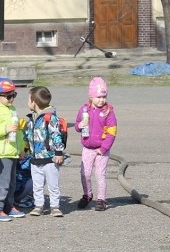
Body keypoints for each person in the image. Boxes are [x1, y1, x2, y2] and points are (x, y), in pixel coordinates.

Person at [0, 77, 26, 222]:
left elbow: (18, 132)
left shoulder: (11, 109)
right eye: (8, 96)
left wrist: (21, 148)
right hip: (2, 151)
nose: (11, 99)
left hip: (12, 150)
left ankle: (8, 206)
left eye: (13, 95)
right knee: (3, 181)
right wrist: (5, 129)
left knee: (11, 181)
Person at [76, 77, 118, 211]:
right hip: (88, 148)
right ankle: (87, 194)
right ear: (91, 96)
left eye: (104, 97)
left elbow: (112, 132)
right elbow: (77, 125)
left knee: (100, 174)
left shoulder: (108, 111)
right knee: (85, 173)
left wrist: (104, 147)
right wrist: (79, 126)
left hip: (101, 149)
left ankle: (101, 199)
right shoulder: (84, 110)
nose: (102, 100)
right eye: (99, 97)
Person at [23, 86, 66, 216]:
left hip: (50, 159)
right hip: (35, 158)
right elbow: (28, 136)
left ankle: (55, 206)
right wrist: (25, 149)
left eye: (28, 99)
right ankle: (39, 205)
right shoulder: (32, 119)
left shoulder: (50, 117)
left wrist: (59, 153)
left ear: (34, 103)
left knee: (53, 184)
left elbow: (56, 135)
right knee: (37, 184)